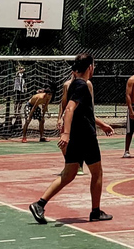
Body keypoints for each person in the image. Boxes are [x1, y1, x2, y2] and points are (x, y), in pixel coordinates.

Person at [29, 53, 114, 224]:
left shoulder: (74, 84)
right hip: (85, 135)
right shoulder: (83, 85)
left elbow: (84, 113)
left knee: (69, 173)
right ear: (90, 67)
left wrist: (102, 125)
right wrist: (65, 135)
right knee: (97, 173)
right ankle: (95, 212)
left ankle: (39, 204)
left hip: (77, 134)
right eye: (94, 65)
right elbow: (69, 109)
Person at [57, 76, 84, 176]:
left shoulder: (87, 84)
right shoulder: (67, 85)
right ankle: (68, 165)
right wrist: (60, 117)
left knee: (79, 142)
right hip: (68, 116)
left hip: (81, 116)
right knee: (63, 143)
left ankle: (80, 165)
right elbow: (63, 102)